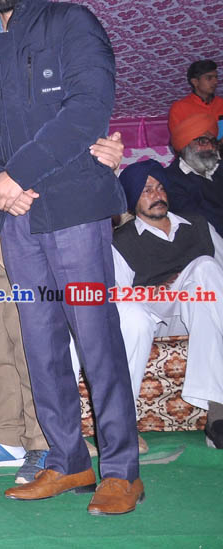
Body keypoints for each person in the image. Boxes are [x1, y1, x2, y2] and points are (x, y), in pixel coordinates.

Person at [0, 0, 141, 515]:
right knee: (40, 343)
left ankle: (121, 470)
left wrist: (16, 175)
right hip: (16, 220)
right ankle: (67, 461)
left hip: (74, 208)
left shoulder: (71, 23)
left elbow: (88, 109)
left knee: (96, 337)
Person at [0, 0, 128, 483]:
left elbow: (72, 123)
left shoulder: (10, 78)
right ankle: (8, 437)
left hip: (18, 222)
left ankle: (44, 444)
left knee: (33, 337)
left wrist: (107, 155)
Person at [113, 161, 223, 450]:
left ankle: (217, 413)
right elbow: (119, 300)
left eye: (160, 187)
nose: (157, 194)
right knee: (203, 269)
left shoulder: (198, 225)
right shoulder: (122, 241)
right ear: (132, 198)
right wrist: (155, 290)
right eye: (147, 190)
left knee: (206, 269)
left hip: (200, 311)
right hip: (156, 317)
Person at [163, 111, 223, 235]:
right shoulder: (172, 180)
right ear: (185, 144)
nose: (210, 147)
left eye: (213, 142)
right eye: (203, 141)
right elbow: (201, 222)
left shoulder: (219, 167)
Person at [167, 60, 222, 144]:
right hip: (196, 151)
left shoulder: (221, 103)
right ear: (195, 82)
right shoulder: (179, 108)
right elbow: (179, 141)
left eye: (216, 77)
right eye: (209, 78)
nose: (215, 82)